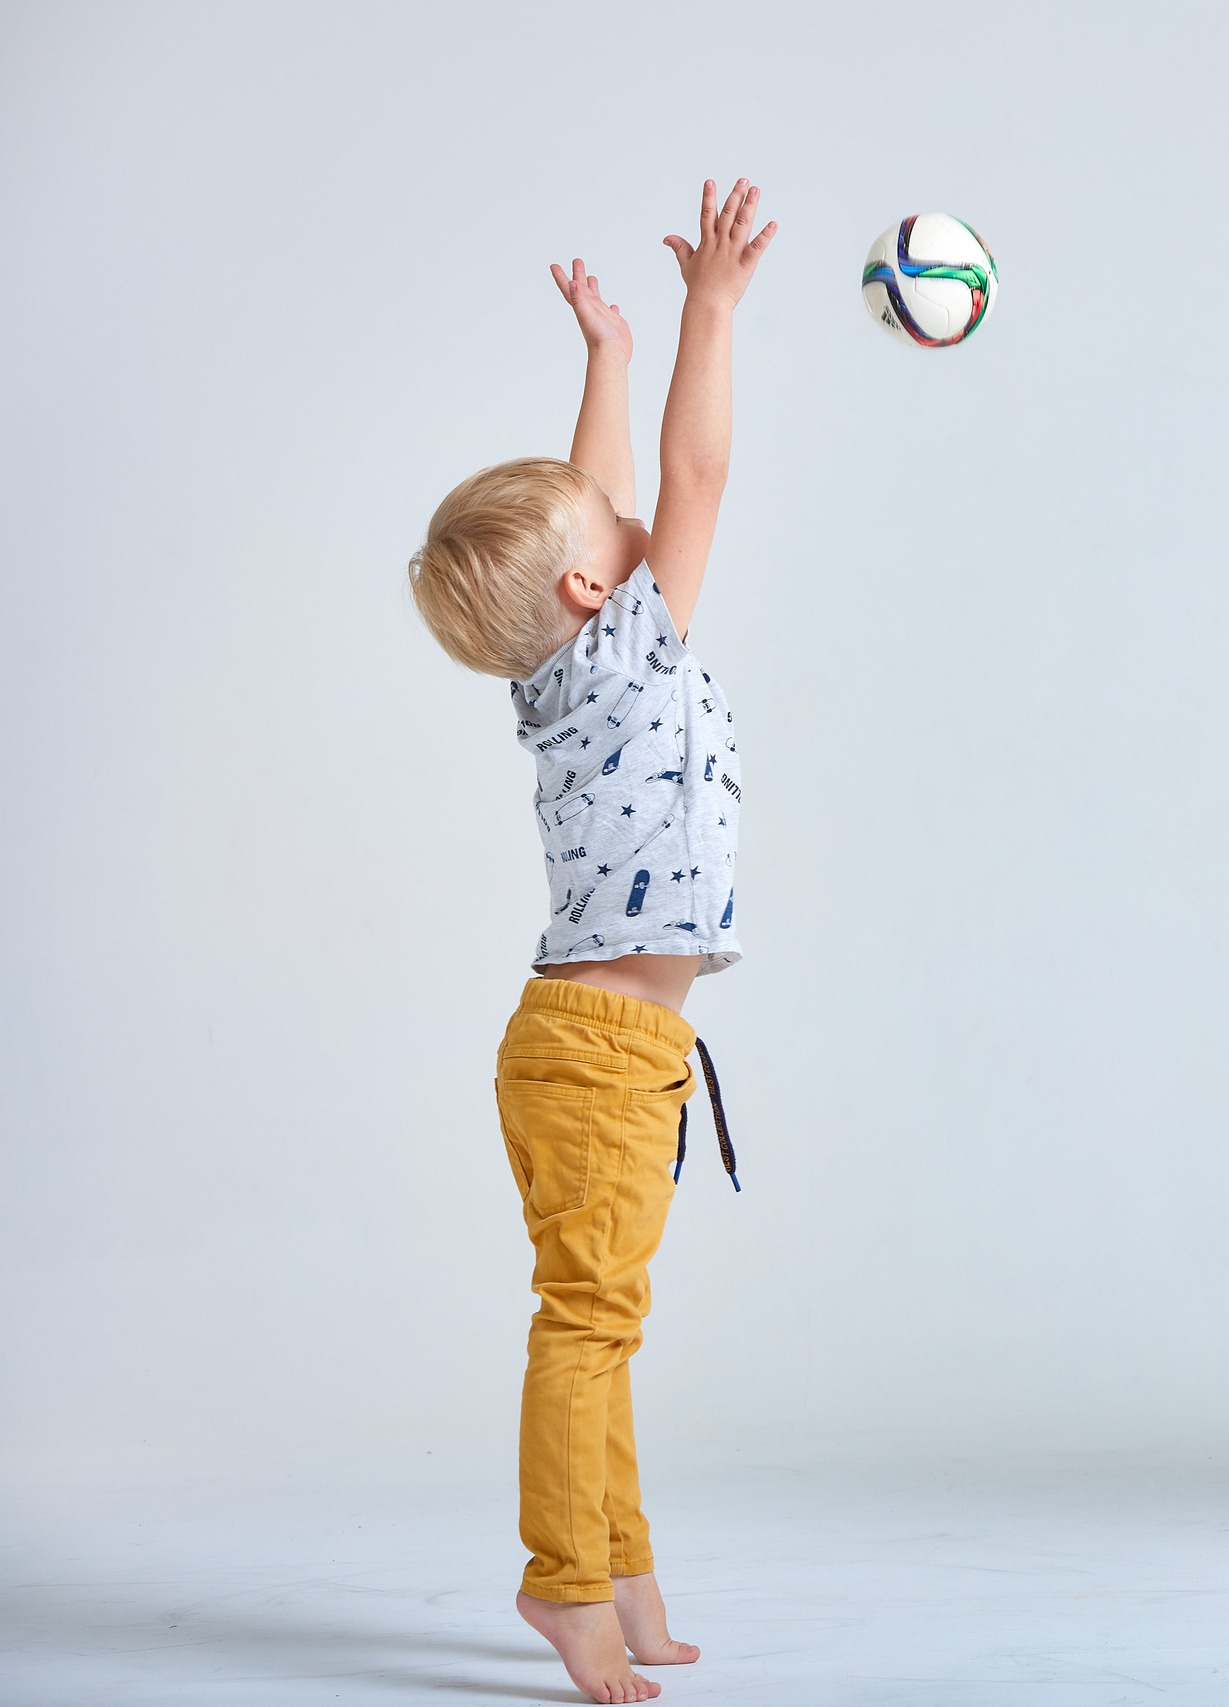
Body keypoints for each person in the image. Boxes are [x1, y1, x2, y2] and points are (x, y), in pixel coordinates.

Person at [407, 179, 777, 1702]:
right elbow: (688, 478)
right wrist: (709, 316)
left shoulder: (582, 660)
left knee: (601, 1318)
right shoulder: (631, 649)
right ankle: (563, 1582)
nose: (634, 521)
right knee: (591, 1321)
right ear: (593, 589)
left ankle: (621, 1566)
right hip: (605, 1049)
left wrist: (607, 354)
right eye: (611, 533)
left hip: (601, 1043)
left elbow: (608, 490)